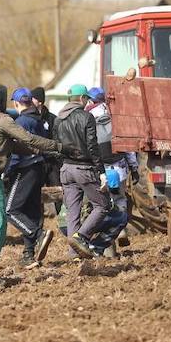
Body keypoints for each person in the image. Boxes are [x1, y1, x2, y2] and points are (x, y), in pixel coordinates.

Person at [0, 84, 62, 288]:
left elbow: (16, 146)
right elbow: (28, 139)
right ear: (0, 100)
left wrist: (35, 152)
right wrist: (57, 147)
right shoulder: (3, 119)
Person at [53, 84, 107, 259]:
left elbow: (56, 147)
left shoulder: (58, 119)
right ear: (83, 98)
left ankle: (73, 253)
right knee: (102, 205)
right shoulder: (86, 117)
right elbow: (92, 146)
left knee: (73, 212)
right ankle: (81, 237)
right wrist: (101, 171)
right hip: (84, 169)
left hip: (66, 170)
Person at [4, 88, 55, 269]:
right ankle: (29, 254)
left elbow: (17, 152)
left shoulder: (20, 122)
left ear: (16, 103)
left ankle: (38, 235)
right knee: (31, 211)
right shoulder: (38, 119)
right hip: (38, 168)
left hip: (24, 170)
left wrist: (7, 172)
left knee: (9, 210)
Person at [85, 87, 137, 256]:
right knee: (120, 200)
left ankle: (109, 250)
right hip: (119, 168)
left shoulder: (88, 118)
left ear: (92, 101)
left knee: (103, 207)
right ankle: (121, 230)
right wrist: (134, 168)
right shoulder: (116, 117)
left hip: (101, 172)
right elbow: (128, 148)